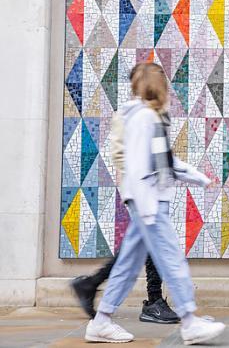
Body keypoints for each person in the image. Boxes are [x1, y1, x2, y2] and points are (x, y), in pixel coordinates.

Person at [84, 63, 226, 344]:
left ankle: (101, 322)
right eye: (164, 82)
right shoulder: (143, 118)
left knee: (127, 265)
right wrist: (148, 210)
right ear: (156, 85)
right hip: (149, 203)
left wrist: (199, 178)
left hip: (147, 202)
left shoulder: (150, 116)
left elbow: (166, 162)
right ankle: (189, 321)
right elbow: (136, 166)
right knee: (172, 260)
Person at [72, 63, 179, 325]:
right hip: (139, 190)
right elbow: (122, 156)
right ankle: (152, 301)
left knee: (139, 245)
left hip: (152, 190)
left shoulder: (156, 113)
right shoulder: (130, 114)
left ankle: (91, 284)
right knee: (149, 244)